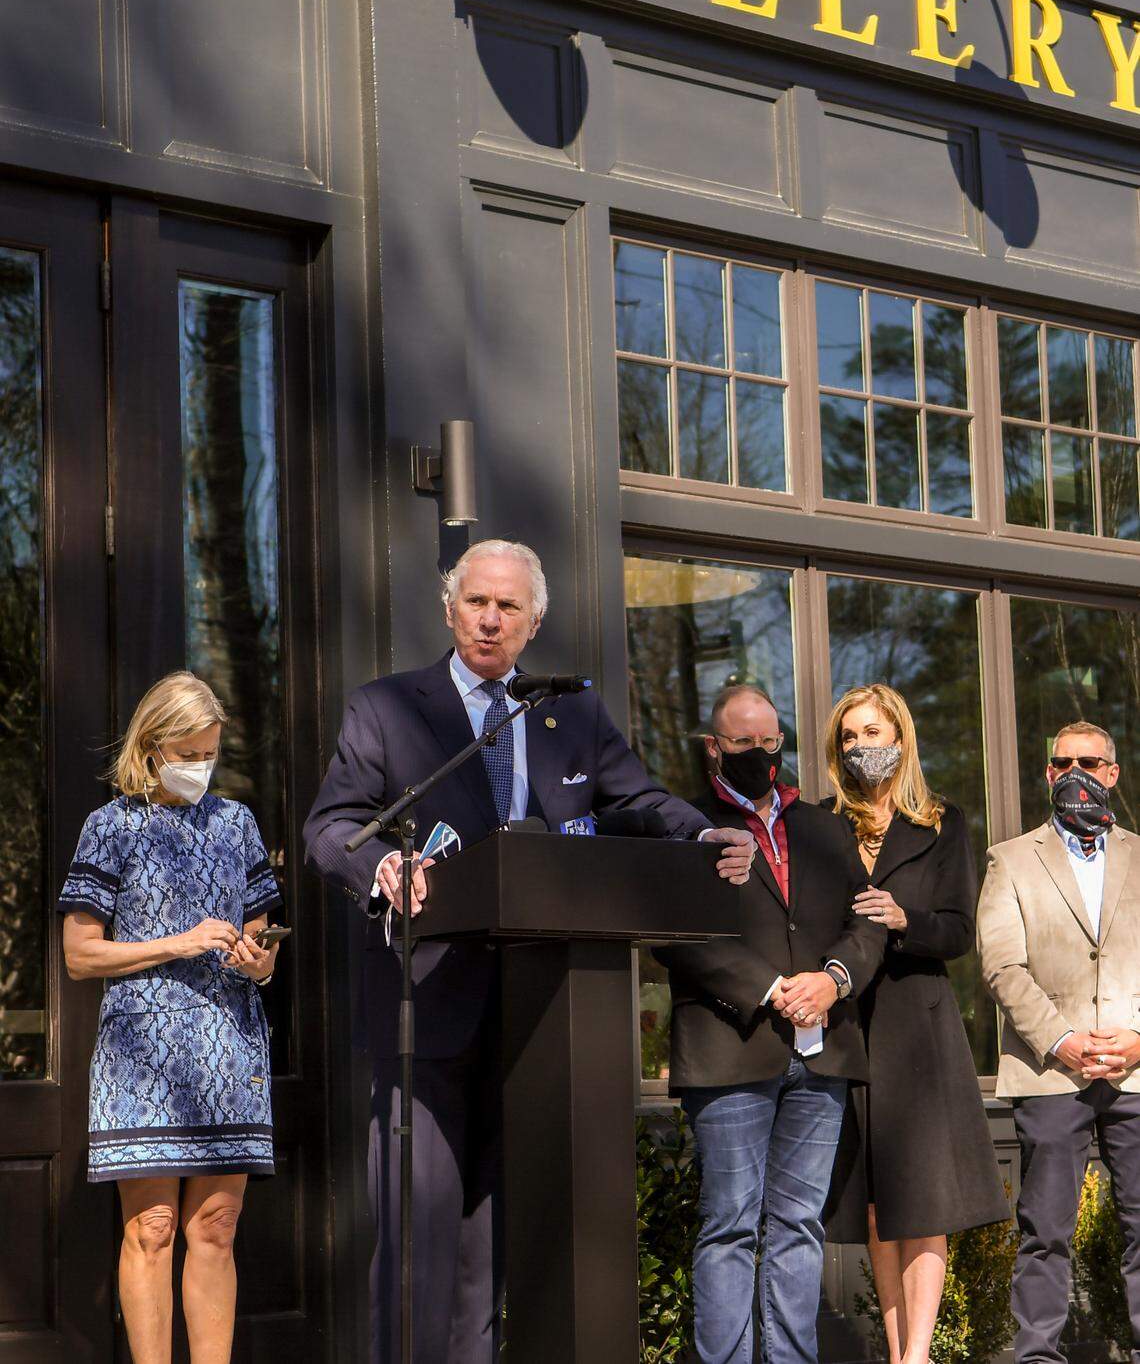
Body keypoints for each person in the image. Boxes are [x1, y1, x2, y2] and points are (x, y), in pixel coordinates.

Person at [302, 538, 754, 1364]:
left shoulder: (568, 712)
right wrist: (385, 865)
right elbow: (331, 827)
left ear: (534, 620)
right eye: (477, 601)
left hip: (544, 1014)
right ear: (449, 609)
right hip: (427, 1005)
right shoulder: (388, 708)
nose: (490, 618)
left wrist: (703, 832)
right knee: (420, 1233)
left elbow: (643, 802)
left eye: (509, 607)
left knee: (495, 1237)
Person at [654, 682, 885, 1364]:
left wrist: (834, 978)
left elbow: (867, 918)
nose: (759, 754)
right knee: (729, 1225)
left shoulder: (823, 825)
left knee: (798, 1227)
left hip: (822, 1053)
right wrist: (770, 987)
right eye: (742, 743)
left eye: (769, 742)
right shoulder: (684, 825)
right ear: (712, 748)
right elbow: (672, 932)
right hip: (730, 1050)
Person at [59, 671, 283, 1364]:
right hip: (141, 1058)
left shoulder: (237, 823)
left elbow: (266, 952)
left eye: (210, 752)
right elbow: (78, 956)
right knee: (151, 1229)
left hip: (229, 1050)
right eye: (188, 754)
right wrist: (179, 942)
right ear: (152, 748)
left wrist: (256, 961)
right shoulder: (109, 828)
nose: (200, 768)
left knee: (215, 1226)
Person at [822, 684, 1008, 1364]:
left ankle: (916, 1356)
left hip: (921, 1033)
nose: (859, 746)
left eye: (871, 731)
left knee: (924, 1203)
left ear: (899, 737)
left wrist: (905, 922)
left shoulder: (941, 823)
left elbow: (959, 930)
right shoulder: (824, 822)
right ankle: (900, 1351)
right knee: (875, 1206)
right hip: (850, 1029)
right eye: (847, 736)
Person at [978, 719, 1140, 1364]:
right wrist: (1064, 1040)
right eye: (1061, 762)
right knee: (1045, 1232)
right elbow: (1000, 966)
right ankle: (1038, 1357)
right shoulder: (1010, 858)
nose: (1074, 773)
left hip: (1135, 1069)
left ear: (1112, 773)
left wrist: (1138, 1039)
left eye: (1089, 762)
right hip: (1050, 1072)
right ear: (1048, 772)